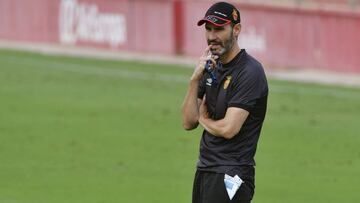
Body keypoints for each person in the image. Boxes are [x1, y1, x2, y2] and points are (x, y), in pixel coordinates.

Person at [181, 2, 268, 203]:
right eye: (208, 29)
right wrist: (194, 80)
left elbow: (229, 128)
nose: (212, 36)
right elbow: (187, 122)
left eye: (219, 29)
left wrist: (204, 119)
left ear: (236, 30)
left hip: (232, 174)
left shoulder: (250, 72)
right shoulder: (211, 66)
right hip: (205, 169)